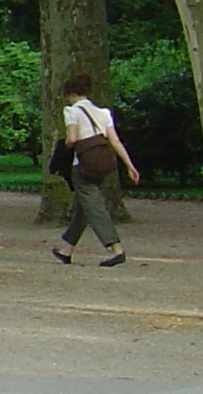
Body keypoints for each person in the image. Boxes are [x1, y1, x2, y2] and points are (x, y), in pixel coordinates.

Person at [53, 72, 139, 267]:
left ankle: (115, 248)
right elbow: (115, 141)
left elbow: (72, 138)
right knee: (83, 207)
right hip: (101, 164)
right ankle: (67, 250)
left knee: (94, 207)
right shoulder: (103, 113)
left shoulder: (71, 111)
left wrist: (63, 147)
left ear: (72, 94)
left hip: (82, 165)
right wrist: (129, 165)